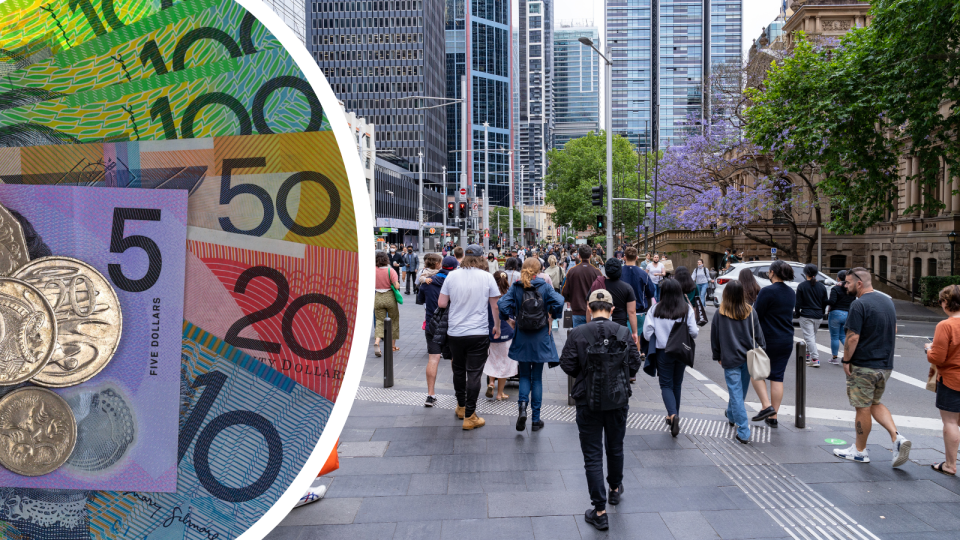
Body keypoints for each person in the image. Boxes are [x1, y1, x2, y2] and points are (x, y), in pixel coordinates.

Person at [560, 289, 642, 531]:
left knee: (593, 455)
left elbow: (566, 363)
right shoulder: (623, 332)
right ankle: (615, 489)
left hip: (588, 401)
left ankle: (599, 510)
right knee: (615, 446)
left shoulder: (577, 332)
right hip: (617, 399)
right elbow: (636, 364)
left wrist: (585, 376)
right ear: (612, 309)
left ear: (588, 307)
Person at [834, 268, 911, 467]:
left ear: (859, 283)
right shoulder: (887, 301)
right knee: (875, 402)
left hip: (864, 365)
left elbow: (853, 337)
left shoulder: (858, 305)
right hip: (884, 365)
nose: (845, 285)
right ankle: (897, 438)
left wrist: (846, 360)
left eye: (848, 282)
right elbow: (893, 329)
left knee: (863, 407)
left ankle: (860, 451)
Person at [438, 245, 502, 430]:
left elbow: (442, 303)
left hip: (455, 332)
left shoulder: (452, 275)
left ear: (465, 257)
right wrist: (496, 326)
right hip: (478, 332)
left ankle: (461, 407)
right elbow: (495, 306)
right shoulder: (487, 277)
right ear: (482, 258)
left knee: (458, 370)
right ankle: (470, 416)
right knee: (474, 373)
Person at [498, 258, 565, 431]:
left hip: (522, 336)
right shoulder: (545, 287)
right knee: (537, 378)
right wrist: (551, 317)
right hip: (541, 335)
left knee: (524, 376)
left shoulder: (517, 286)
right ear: (540, 270)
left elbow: (501, 304)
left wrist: (510, 320)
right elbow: (559, 301)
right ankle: (536, 419)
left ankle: (522, 409)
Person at [711, 280, 765, 444]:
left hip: (730, 358)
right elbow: (759, 334)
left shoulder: (720, 313)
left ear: (726, 294)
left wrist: (717, 355)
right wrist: (762, 348)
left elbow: (715, 337)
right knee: (739, 394)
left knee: (736, 394)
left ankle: (743, 430)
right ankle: (733, 415)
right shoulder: (750, 311)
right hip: (748, 358)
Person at [642, 278, 698, 437]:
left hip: (663, 352)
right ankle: (674, 414)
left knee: (666, 384)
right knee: (677, 384)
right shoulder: (686, 308)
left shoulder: (655, 309)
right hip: (681, 351)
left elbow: (646, 333)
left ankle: (672, 415)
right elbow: (694, 332)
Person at [751, 260, 795, 428]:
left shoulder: (767, 291)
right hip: (786, 338)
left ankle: (766, 406)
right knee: (777, 376)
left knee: (756, 373)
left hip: (768, 338)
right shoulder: (791, 292)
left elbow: (757, 315)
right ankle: (773, 416)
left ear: (772, 273)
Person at [925, 285, 960, 476]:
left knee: (951, 422)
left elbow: (937, 358)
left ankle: (949, 464)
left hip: (952, 379)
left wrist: (929, 349)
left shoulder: (945, 325)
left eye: (941, 301)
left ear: (947, 302)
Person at [419, 254, 453, 406]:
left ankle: (430, 395)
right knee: (455, 359)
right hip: (451, 324)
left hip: (432, 323)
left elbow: (420, 300)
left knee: (433, 358)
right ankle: (459, 393)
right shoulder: (453, 281)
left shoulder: (427, 281)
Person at [588, 259, 638, 347]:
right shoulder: (627, 288)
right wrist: (634, 332)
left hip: (599, 327)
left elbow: (588, 308)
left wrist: (588, 326)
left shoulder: (597, 285)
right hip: (620, 328)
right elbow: (632, 312)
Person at [484, 271, 517, 401]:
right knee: (504, 363)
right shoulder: (510, 295)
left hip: (491, 331)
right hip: (507, 332)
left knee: (492, 359)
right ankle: (500, 394)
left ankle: (491, 382)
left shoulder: (488, 295)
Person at [562, 245, 602, 328]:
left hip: (577, 310)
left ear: (579, 256)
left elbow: (565, 291)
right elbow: (602, 291)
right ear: (590, 256)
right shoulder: (597, 272)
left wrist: (569, 300)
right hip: (593, 311)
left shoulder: (572, 271)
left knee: (578, 337)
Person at [796, 263, 828, 368]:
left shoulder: (801, 286)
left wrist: (797, 313)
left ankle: (815, 358)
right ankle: (808, 354)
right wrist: (822, 312)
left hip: (806, 314)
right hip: (818, 315)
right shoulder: (822, 286)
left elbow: (798, 302)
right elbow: (824, 302)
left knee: (809, 337)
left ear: (805, 274)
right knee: (812, 336)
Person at [373, 251, 400, 358]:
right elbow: (397, 286)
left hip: (378, 296)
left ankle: (377, 342)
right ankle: (393, 346)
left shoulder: (373, 270)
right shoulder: (390, 270)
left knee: (379, 321)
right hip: (389, 297)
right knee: (394, 320)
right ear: (386, 260)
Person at [827, 270, 854, 365]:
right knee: (843, 336)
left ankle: (834, 357)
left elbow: (832, 301)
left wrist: (824, 301)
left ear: (838, 278)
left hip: (835, 313)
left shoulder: (835, 289)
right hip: (847, 314)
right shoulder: (851, 289)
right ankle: (852, 353)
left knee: (834, 337)